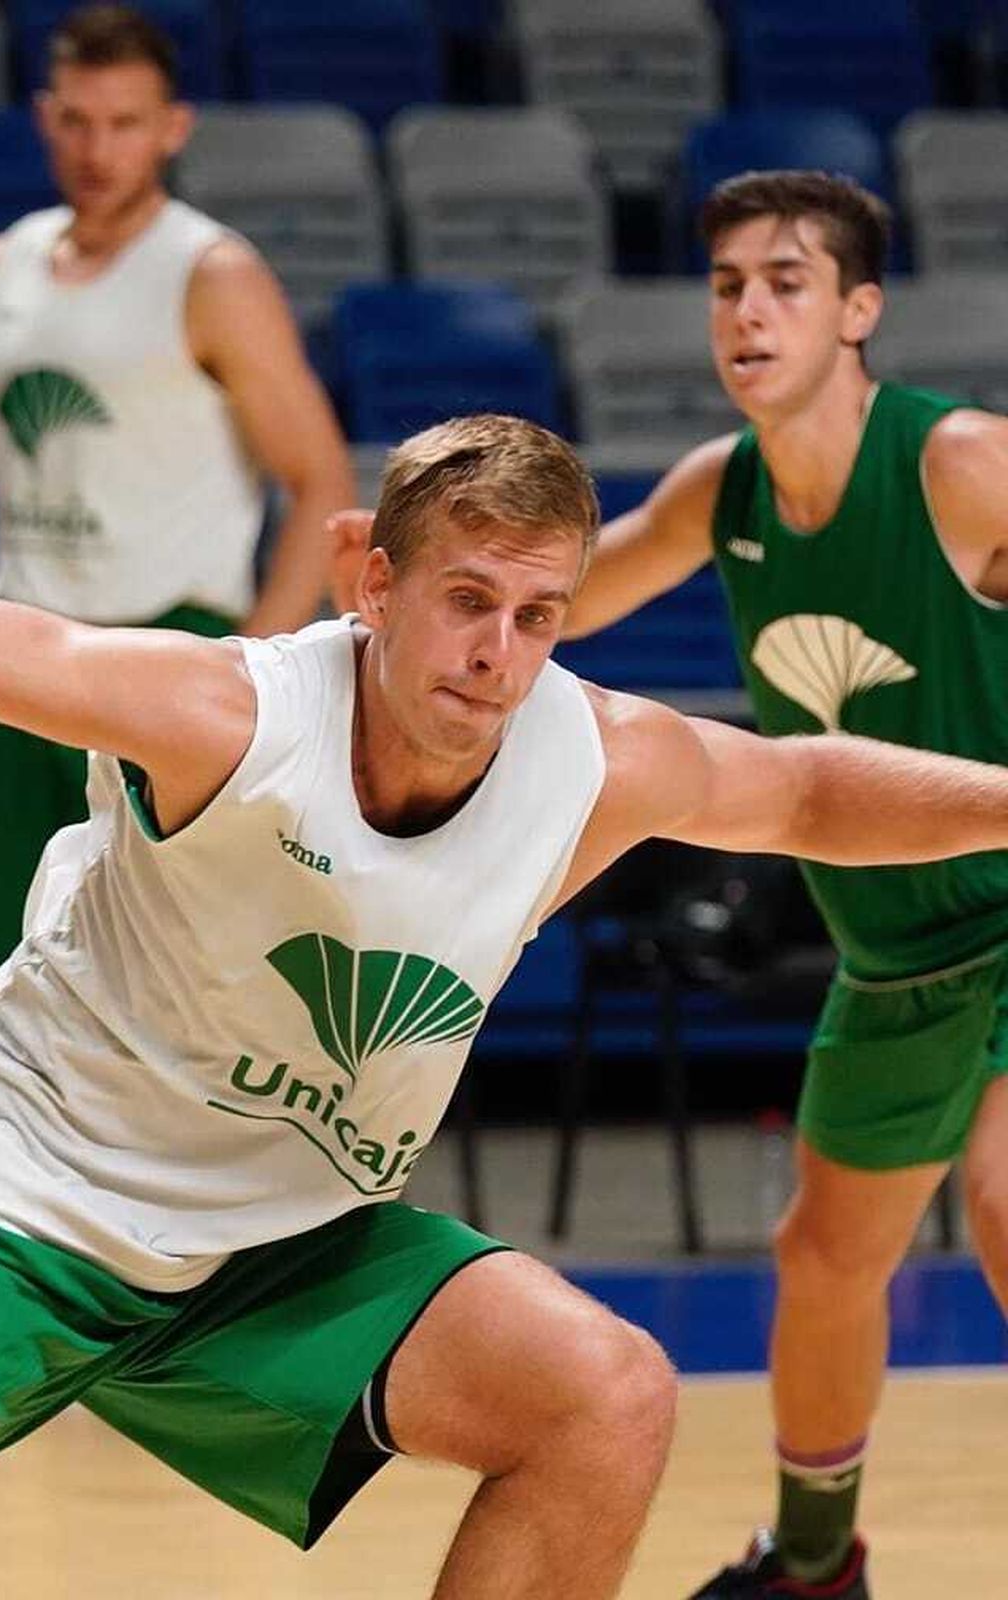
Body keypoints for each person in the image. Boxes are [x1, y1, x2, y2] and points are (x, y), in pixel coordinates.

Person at [0, 379, 1008, 1600]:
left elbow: (803, 790)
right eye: (467, 602)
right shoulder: (223, 715)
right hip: (11, 1207)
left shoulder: (594, 755)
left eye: (540, 615)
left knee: (604, 1395)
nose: (501, 655)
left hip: (273, 1242)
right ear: (374, 588)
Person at [331, 171, 1008, 1598]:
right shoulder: (728, 492)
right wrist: (372, 627)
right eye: (727, 286)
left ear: (861, 310)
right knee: (825, 1258)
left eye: (787, 282)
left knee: (1007, 1201)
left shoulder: (956, 465)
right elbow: (554, 599)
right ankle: (815, 1564)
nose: (750, 310)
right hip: (895, 955)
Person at [0, 3, 354, 991]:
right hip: (14, 657)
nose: (101, 149)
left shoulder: (213, 274)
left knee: (167, 978)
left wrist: (261, 671)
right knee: (0, 975)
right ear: (45, 117)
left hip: (167, 649)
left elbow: (319, 479)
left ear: (171, 129)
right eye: (80, 122)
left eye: (126, 124)